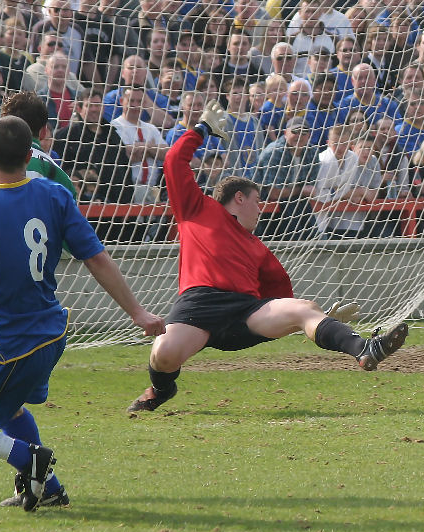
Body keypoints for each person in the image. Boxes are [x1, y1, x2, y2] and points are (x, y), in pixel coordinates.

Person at [126, 103, 408, 413]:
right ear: (239, 198)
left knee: (304, 309)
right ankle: (160, 390)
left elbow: (280, 299)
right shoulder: (197, 209)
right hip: (198, 306)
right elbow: (173, 159)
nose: (261, 209)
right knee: (163, 355)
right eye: (258, 202)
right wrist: (202, 130)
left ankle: (364, 348)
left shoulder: (258, 247)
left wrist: (323, 322)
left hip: (245, 315)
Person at [0, 116, 165, 511]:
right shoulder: (53, 195)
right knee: (11, 407)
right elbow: (96, 258)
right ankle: (49, 489)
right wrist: (138, 313)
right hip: (52, 333)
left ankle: (25, 459)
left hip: (12, 346)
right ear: (30, 155)